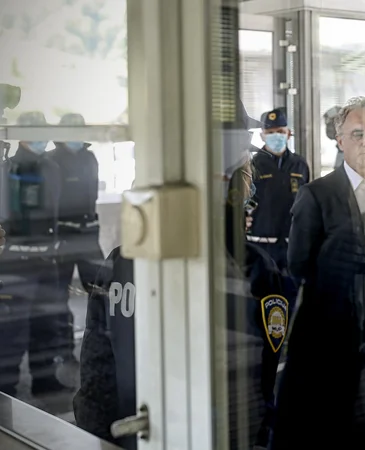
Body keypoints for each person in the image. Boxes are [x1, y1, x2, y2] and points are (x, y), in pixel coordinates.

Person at [74, 133, 290, 450]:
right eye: (246, 175)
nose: (251, 189)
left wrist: (102, 440)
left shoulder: (122, 261)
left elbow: (95, 377)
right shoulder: (254, 271)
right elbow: (259, 389)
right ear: (223, 187)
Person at [272, 97, 365, 449]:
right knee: (328, 408)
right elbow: (298, 263)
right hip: (333, 320)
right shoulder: (317, 195)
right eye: (358, 134)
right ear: (340, 140)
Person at [0, 111, 67, 396]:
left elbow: (54, 213)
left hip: (46, 261)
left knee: (47, 323)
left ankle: (45, 379)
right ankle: (6, 387)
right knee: (13, 329)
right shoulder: (7, 169)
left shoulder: (52, 168)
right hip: (16, 263)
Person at [46, 113, 104, 380]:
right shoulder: (52, 161)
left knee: (102, 289)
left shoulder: (89, 158)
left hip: (88, 235)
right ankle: (63, 351)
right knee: (58, 296)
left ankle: (104, 341)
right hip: (62, 238)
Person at [249, 108, 309, 276]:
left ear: (289, 133)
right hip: (261, 246)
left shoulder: (300, 165)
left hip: (293, 245)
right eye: (271, 132)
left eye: (281, 131)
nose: (276, 136)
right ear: (262, 135)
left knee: (292, 294)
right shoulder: (252, 165)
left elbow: (308, 203)